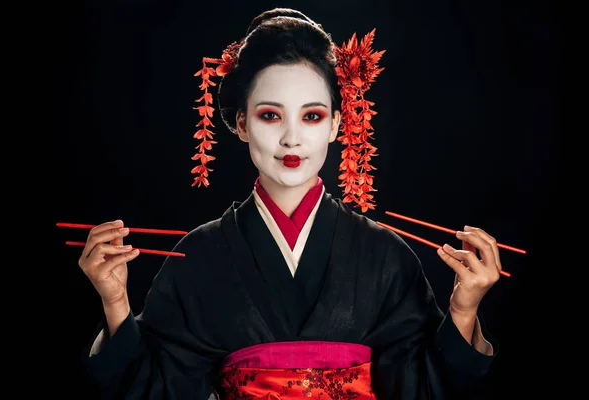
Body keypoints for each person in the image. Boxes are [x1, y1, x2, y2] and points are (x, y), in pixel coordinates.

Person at [79, 7, 502, 399]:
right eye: (270, 115)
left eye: (312, 116)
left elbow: (423, 386)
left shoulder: (385, 256)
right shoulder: (198, 258)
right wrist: (115, 302)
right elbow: (152, 388)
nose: (292, 138)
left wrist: (464, 309)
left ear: (337, 124)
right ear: (241, 123)